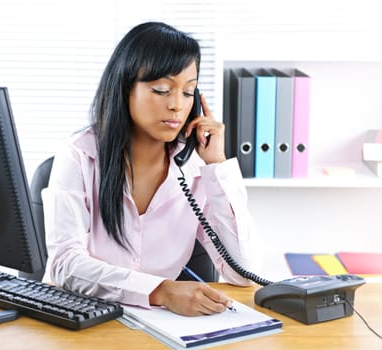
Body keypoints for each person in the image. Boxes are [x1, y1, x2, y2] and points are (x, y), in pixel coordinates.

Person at [43, 21, 260, 317]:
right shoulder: (79, 156)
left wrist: (217, 166)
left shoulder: (196, 169)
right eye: (161, 89)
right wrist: (160, 290)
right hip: (80, 322)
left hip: (161, 329)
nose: (176, 105)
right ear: (125, 88)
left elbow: (243, 272)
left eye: (188, 92)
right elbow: (65, 264)